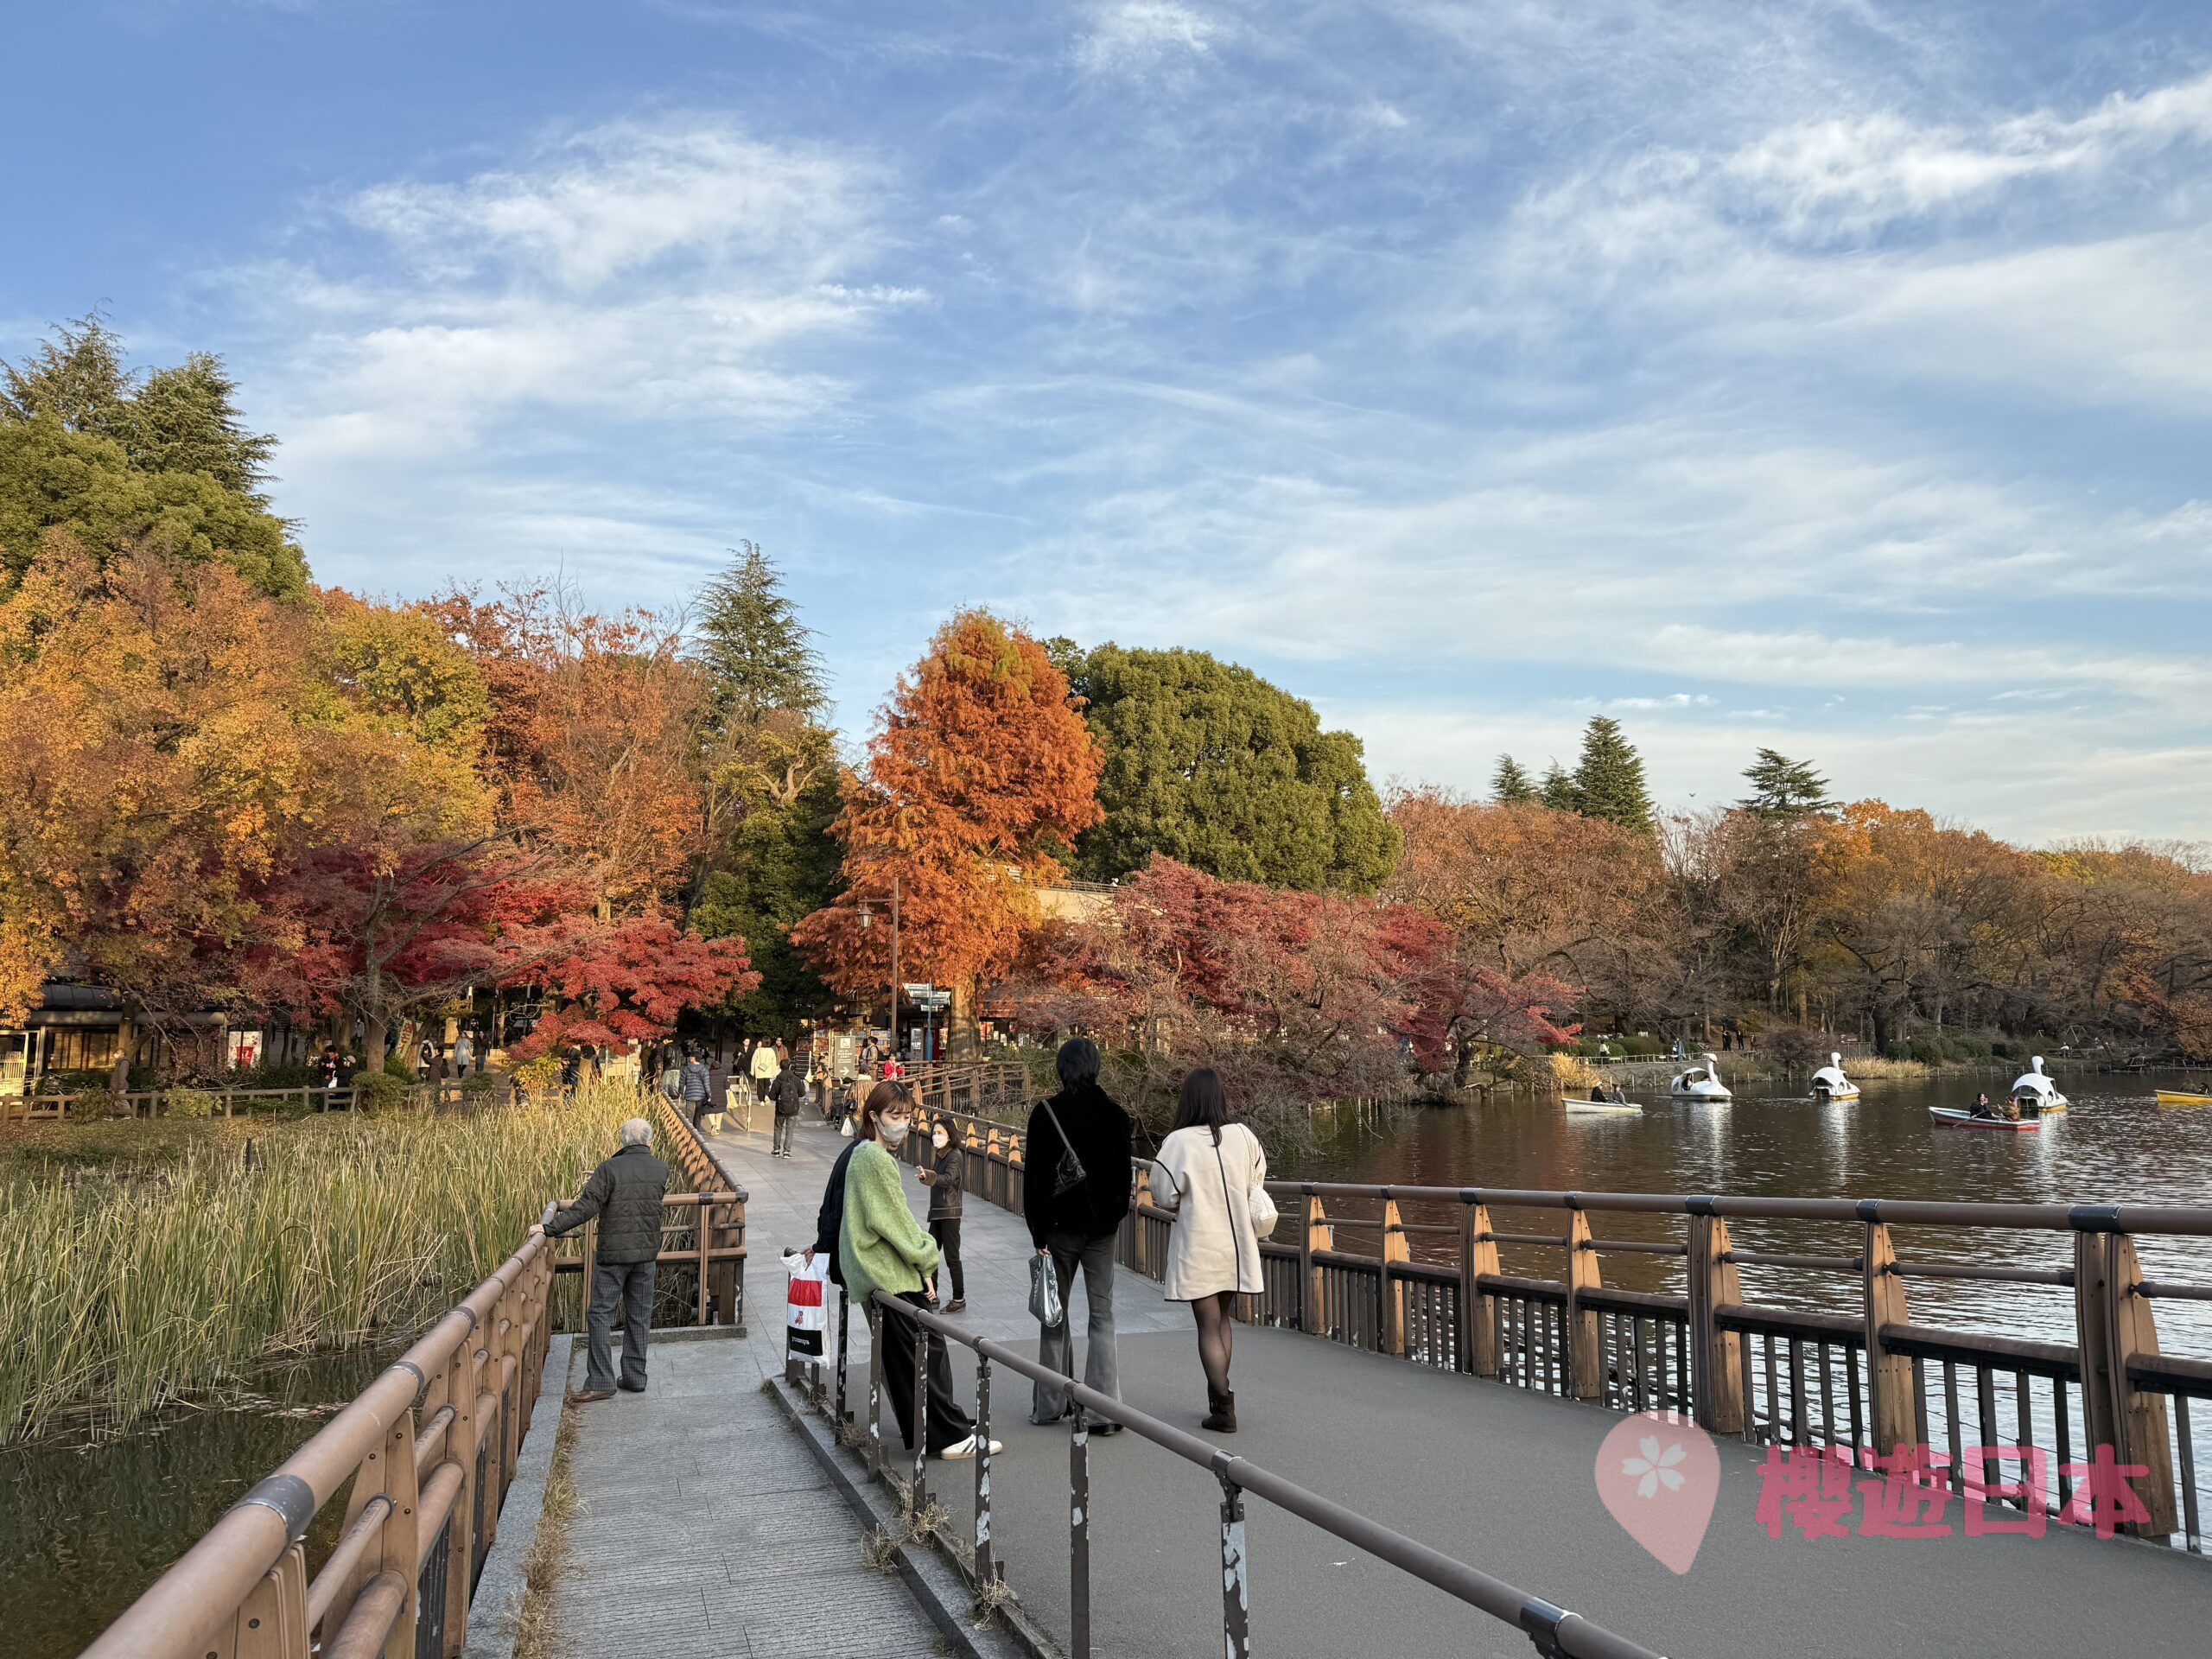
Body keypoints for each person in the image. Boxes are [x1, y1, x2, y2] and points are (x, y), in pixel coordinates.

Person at [839, 1081, 995, 1459]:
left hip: (874, 1271)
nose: (903, 1124)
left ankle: (945, 1426)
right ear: (873, 1117)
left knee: (909, 1356)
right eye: (895, 1116)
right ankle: (947, 1436)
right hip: (887, 1272)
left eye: (908, 1117)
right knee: (926, 1350)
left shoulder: (862, 1154)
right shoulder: (875, 1159)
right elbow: (895, 1222)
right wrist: (926, 1257)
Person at [1147, 1066, 1267, 1433]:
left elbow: (1163, 1193)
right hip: (1236, 1244)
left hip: (1199, 1244)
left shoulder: (1179, 1142)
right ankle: (1219, 1403)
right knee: (1223, 1321)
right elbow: (1258, 1178)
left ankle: (1224, 1405)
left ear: (1188, 1100)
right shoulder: (1244, 1136)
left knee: (1206, 1325)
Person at [1023, 1037, 1133, 1431]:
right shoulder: (1117, 1117)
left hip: (1057, 1231)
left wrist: (1038, 1229)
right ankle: (1104, 1412)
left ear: (1061, 1069)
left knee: (1055, 1314)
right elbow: (1125, 1181)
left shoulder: (1046, 1114)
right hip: (1101, 1233)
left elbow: (1034, 1179)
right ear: (1096, 1068)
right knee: (1102, 1316)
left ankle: (1051, 1404)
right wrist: (1110, 1218)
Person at [533, 1116, 669, 1401]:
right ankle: (634, 1377)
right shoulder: (660, 1168)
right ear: (649, 1141)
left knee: (599, 1315)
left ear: (623, 1140)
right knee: (639, 1316)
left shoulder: (609, 1168)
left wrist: (548, 1228)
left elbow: (586, 1208)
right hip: (645, 1255)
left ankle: (601, 1380)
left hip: (613, 1257)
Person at [919, 1117, 966, 1311]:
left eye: (940, 1133)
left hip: (949, 1212)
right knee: (930, 1253)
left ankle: (959, 1299)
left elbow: (948, 1179)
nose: (935, 1136)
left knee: (951, 1256)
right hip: (938, 1211)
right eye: (934, 1133)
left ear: (950, 1135)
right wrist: (926, 1176)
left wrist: (929, 1176)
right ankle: (932, 1294)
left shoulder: (954, 1155)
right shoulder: (941, 1154)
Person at [771, 1052, 806, 1157]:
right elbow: (802, 1093)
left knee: (778, 1129)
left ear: (780, 1067)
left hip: (780, 1109)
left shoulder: (778, 1079)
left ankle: (776, 1150)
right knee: (790, 1130)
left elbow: (772, 1096)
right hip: (793, 1109)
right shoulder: (796, 1078)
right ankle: (786, 1151)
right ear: (790, 1066)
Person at [680, 1049, 712, 1127]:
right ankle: (697, 1131)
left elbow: (682, 1082)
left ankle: (689, 1132)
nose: (690, 1058)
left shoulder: (686, 1069)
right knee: (698, 1115)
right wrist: (709, 1095)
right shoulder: (704, 1069)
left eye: (691, 1056)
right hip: (700, 1095)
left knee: (689, 1115)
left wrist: (681, 1092)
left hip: (689, 1094)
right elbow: (706, 1084)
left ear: (693, 1058)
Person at [750, 1036, 781, 1110]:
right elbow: (774, 1062)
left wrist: (752, 1071)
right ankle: (766, 1095)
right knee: (767, 1085)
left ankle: (761, 1101)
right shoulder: (771, 1050)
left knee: (760, 1086)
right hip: (768, 1071)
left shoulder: (758, 1050)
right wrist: (774, 1072)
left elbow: (753, 1061)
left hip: (759, 1070)